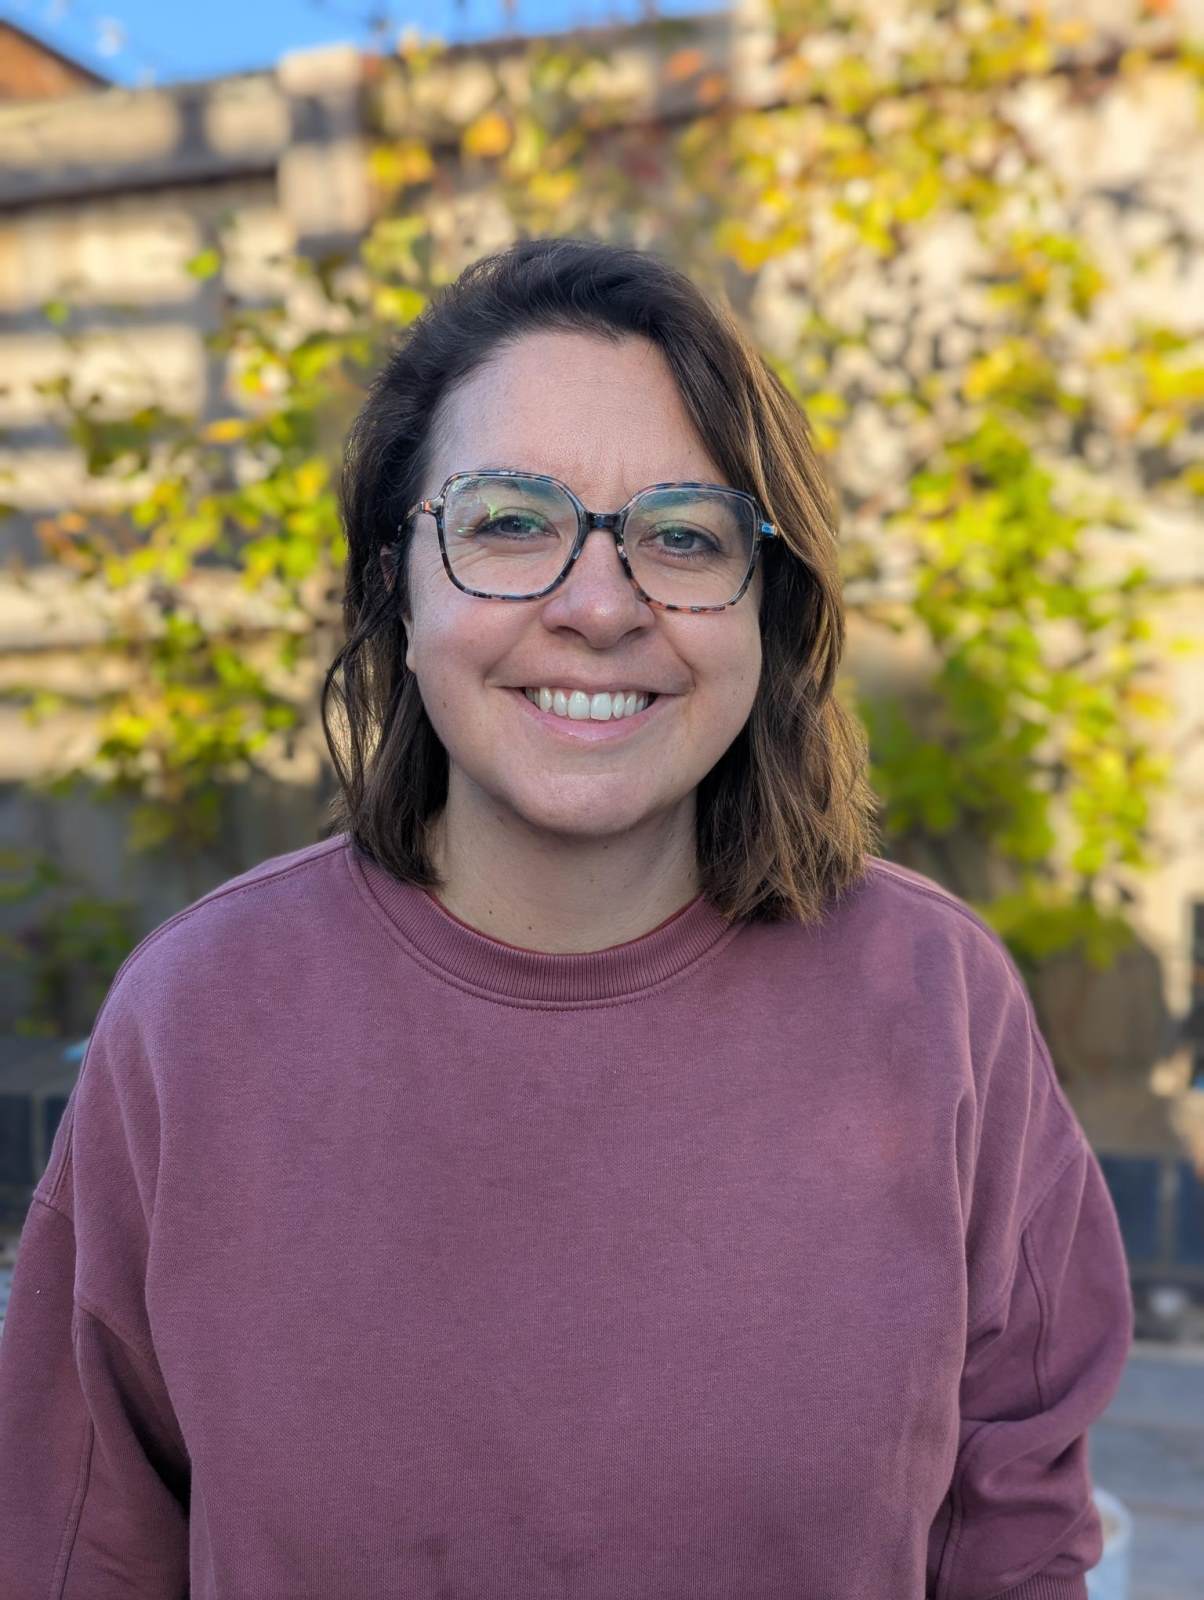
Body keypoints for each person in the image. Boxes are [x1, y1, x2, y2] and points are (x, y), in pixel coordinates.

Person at [0, 235, 1132, 1600]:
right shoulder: (196, 1022)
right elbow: (79, 1549)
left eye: (684, 536)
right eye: (510, 523)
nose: (600, 606)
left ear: (766, 604)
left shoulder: (937, 1005)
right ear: (393, 583)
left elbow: (1017, 1543)